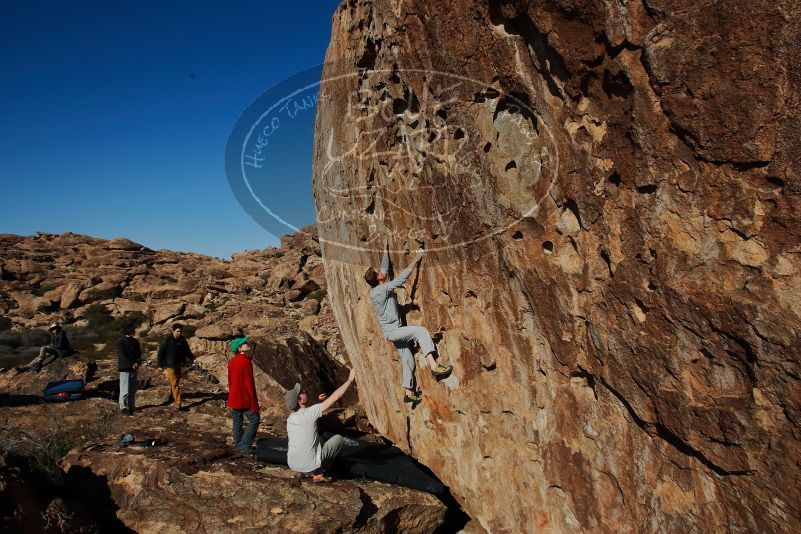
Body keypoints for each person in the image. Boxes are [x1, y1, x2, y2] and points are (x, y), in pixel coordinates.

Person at [364, 244, 452, 404]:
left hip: (394, 331)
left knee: (408, 360)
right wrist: (416, 259)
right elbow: (401, 278)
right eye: (379, 272)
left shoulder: (377, 287)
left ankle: (408, 392)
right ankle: (434, 366)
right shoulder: (381, 290)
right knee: (421, 331)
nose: (381, 270)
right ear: (379, 278)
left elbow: (384, 267)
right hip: (393, 332)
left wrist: (386, 250)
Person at [285, 369, 356, 482]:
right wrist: (349, 380)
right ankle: (318, 473)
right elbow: (335, 397)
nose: (305, 392)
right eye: (302, 393)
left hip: (293, 465)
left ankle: (300, 472)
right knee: (338, 439)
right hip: (311, 467)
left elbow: (306, 415)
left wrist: (319, 403)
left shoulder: (290, 419)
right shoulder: (311, 413)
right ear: (300, 400)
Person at [227, 336, 260, 454]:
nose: (247, 343)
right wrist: (254, 401)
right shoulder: (245, 362)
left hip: (234, 396)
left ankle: (239, 444)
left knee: (237, 421)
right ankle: (245, 446)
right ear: (240, 348)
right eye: (244, 343)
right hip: (244, 397)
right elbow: (249, 383)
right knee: (255, 419)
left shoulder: (232, 362)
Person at [157, 323, 194, 411]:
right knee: (175, 383)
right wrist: (160, 365)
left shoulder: (182, 339)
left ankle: (173, 396)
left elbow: (187, 350)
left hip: (179, 364)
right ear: (173, 331)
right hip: (170, 364)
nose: (179, 333)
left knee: (176, 381)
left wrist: (192, 357)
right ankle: (178, 402)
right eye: (177, 331)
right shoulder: (167, 339)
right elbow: (160, 352)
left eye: (180, 331)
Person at [117, 324, 142, 416]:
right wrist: (132, 364)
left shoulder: (135, 341)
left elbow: (139, 354)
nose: (134, 331)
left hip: (133, 368)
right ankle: (123, 408)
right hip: (125, 368)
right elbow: (122, 356)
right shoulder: (121, 342)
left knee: (132, 389)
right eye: (133, 330)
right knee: (124, 390)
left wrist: (137, 362)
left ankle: (131, 406)